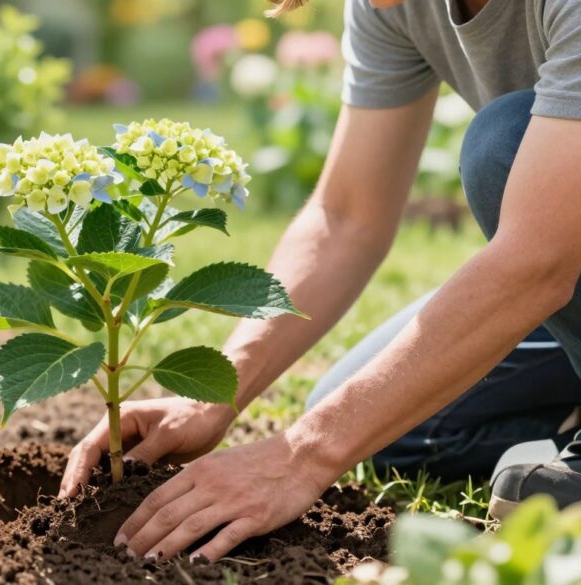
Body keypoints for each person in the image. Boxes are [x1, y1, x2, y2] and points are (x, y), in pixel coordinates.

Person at [57, 0, 581, 563]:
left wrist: (300, 455)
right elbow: (347, 217)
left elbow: (538, 260)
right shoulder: (392, 5)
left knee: (501, 144)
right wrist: (213, 393)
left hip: (552, 254)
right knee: (378, 421)